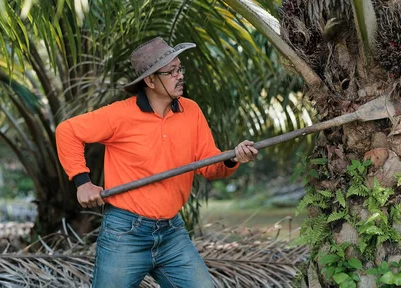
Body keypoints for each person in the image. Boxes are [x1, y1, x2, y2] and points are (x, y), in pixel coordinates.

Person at [56, 36, 258, 288]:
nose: (179, 75)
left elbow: (208, 165)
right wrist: (82, 182)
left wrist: (231, 159)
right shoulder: (120, 114)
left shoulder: (191, 111)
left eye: (179, 68)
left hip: (171, 232)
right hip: (125, 233)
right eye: (171, 71)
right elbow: (67, 131)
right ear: (150, 81)